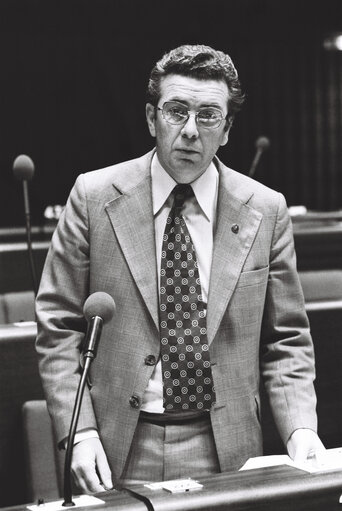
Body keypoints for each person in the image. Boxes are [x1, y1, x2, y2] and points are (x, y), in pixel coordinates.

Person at [35, 44, 324, 494]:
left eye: (208, 115)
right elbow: (58, 326)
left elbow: (286, 337)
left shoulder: (266, 210)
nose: (190, 130)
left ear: (226, 129)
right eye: (176, 111)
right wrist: (82, 431)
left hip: (228, 446)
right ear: (152, 118)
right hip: (119, 446)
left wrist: (300, 428)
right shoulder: (93, 198)